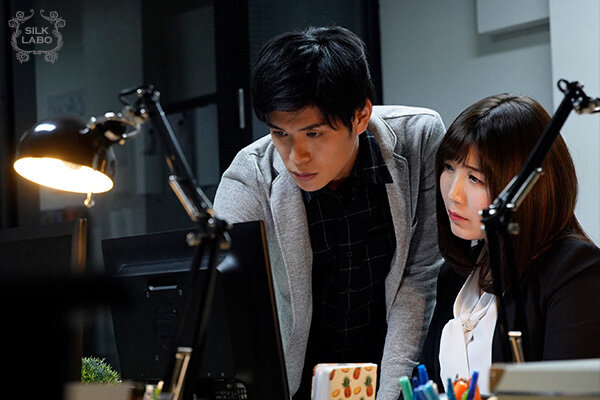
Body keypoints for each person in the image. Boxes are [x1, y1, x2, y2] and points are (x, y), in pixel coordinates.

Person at [213, 26, 445, 399]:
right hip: (295, 384)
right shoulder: (249, 178)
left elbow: (419, 277)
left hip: (385, 370)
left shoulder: (419, 138)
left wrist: (389, 394)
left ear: (361, 115)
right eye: (280, 134)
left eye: (314, 134)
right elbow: (233, 315)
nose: (296, 157)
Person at [419, 94, 600, 394]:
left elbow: (571, 393)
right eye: (449, 168)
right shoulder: (454, 276)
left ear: (528, 188)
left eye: (475, 178)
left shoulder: (575, 270)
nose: (453, 193)